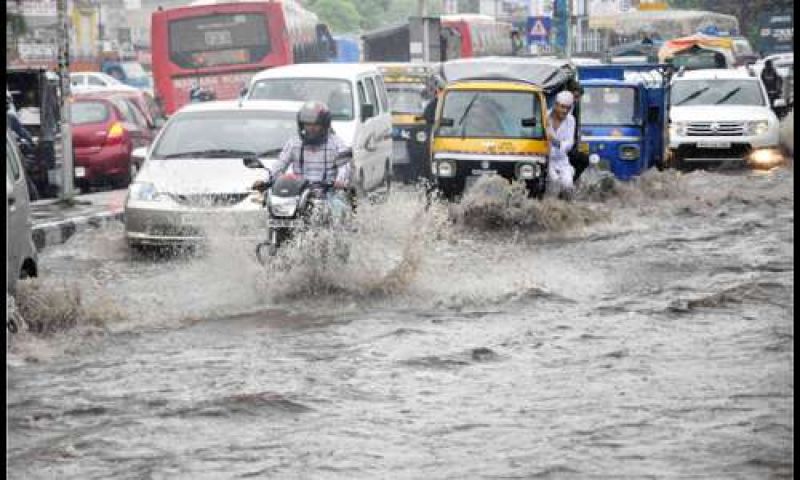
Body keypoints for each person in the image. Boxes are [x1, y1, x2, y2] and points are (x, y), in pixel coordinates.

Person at [252, 101, 353, 217]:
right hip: (298, 194)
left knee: (339, 212)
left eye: (316, 125)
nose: (311, 128)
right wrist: (265, 181)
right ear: (301, 125)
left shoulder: (336, 144)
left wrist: (340, 181)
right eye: (307, 124)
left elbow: (345, 166)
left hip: (328, 193)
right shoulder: (294, 143)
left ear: (324, 125)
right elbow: (280, 164)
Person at [546, 91, 577, 200]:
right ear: (555, 105)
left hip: (562, 160)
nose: (565, 111)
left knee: (568, 185)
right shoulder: (544, 116)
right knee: (553, 183)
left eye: (568, 108)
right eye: (562, 107)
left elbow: (569, 143)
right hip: (547, 159)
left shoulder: (571, 120)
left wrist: (555, 141)